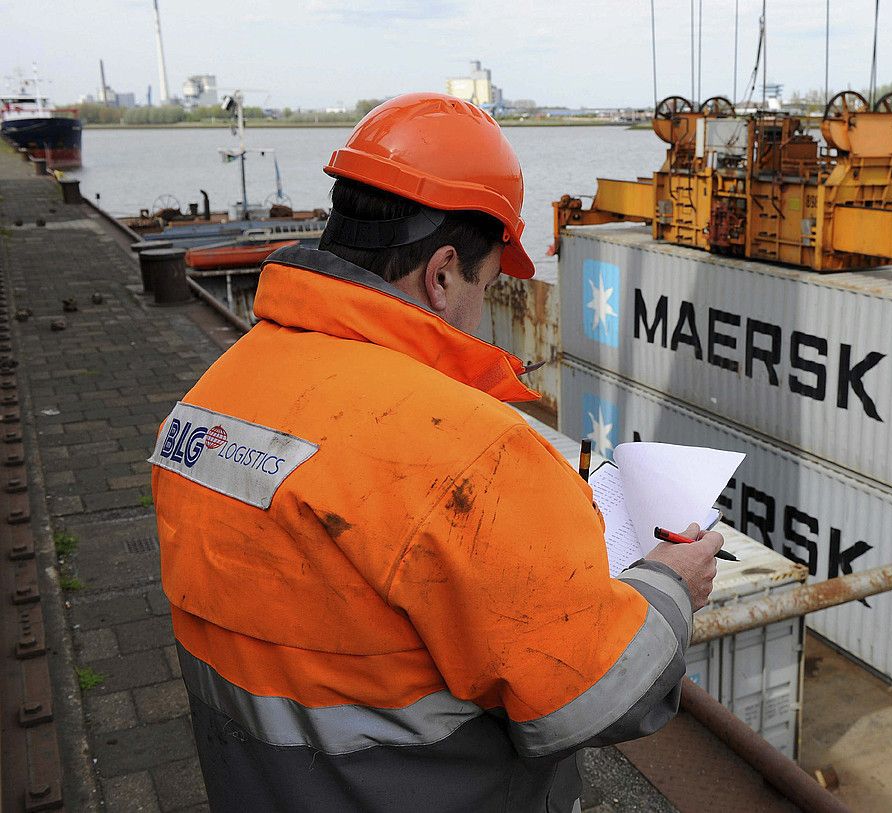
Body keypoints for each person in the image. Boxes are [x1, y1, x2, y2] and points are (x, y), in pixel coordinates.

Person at [150, 92, 724, 812]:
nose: (481, 309)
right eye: (485, 285)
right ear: (444, 272)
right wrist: (672, 583)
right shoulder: (465, 448)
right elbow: (591, 698)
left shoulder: (209, 397)